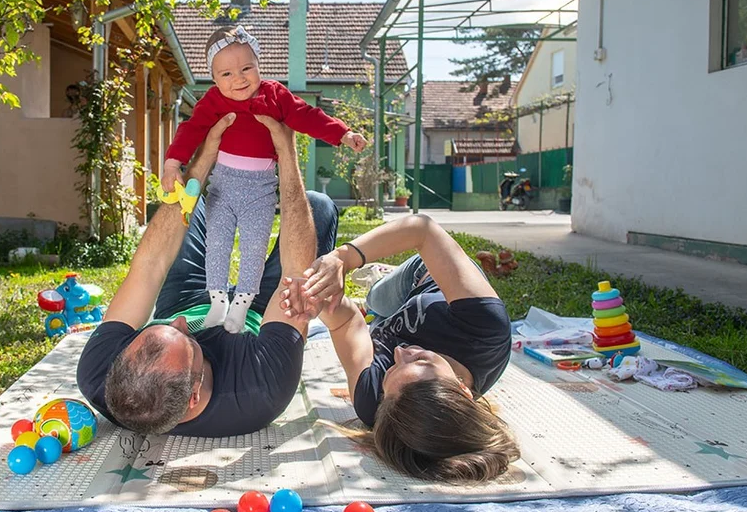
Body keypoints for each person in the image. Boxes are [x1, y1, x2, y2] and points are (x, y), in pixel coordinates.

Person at [76, 115, 340, 438]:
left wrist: (202, 161)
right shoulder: (261, 387)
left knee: (191, 201)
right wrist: (286, 152)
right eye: (187, 341)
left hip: (186, 297)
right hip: (258, 316)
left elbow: (149, 265)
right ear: (195, 396)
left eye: (156, 330)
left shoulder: (97, 374)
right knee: (319, 207)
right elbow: (296, 275)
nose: (181, 324)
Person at [161, 25, 367, 333]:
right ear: (214, 78)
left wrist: (342, 133)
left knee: (253, 248)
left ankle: (241, 305)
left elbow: (307, 115)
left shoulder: (275, 95)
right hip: (223, 185)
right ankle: (218, 302)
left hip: (261, 189)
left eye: (246, 68)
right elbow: (190, 131)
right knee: (216, 243)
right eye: (226, 74)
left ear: (259, 66)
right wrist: (171, 163)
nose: (239, 79)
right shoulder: (213, 101)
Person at [281, 215, 519, 482]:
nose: (399, 352)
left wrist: (318, 302)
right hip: (425, 277)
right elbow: (422, 231)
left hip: (392, 320)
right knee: (378, 297)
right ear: (463, 389)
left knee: (374, 313)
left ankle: (376, 305)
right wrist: (342, 258)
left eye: (391, 370)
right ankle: (379, 284)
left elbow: (346, 322)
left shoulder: (376, 403)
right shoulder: (485, 328)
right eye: (420, 361)